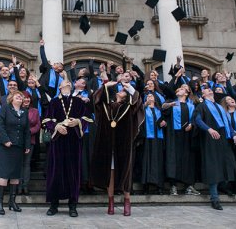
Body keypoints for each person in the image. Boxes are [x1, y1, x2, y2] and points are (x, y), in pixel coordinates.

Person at [91, 80, 143, 216]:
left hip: (124, 144)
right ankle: (111, 203)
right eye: (119, 90)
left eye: (122, 91)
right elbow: (96, 99)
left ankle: (127, 202)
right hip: (109, 144)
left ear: (125, 96)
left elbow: (138, 101)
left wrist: (129, 87)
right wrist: (105, 86)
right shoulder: (107, 107)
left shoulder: (128, 108)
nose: (119, 91)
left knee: (126, 173)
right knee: (111, 174)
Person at [43, 80, 91, 217]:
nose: (67, 85)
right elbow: (46, 120)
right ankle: (53, 205)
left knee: (73, 172)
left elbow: (87, 118)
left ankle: (72, 205)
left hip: (74, 142)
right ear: (59, 87)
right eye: (64, 84)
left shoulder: (79, 102)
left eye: (69, 84)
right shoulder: (54, 102)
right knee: (55, 172)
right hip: (58, 142)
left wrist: (78, 122)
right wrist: (56, 126)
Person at [194, 88, 236, 210]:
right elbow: (198, 120)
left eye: (210, 90)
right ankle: (214, 198)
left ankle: (223, 186)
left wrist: (234, 134)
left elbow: (228, 124)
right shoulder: (202, 106)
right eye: (207, 91)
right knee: (213, 169)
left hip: (224, 139)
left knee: (230, 164)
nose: (210, 91)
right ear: (203, 95)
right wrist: (209, 129)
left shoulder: (220, 107)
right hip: (210, 140)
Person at [0, 90, 31, 215]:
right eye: (17, 96)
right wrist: (5, 140)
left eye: (21, 97)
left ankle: (12, 201)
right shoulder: (5, 108)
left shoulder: (25, 112)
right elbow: (0, 124)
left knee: (15, 176)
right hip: (6, 146)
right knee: (4, 174)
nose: (20, 98)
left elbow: (27, 130)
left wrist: (27, 145)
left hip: (18, 146)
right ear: (11, 98)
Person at [162, 87, 200, 196]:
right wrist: (170, 105)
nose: (179, 90)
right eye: (178, 89)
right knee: (173, 158)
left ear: (187, 93)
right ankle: (173, 185)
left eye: (182, 89)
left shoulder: (191, 106)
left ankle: (188, 186)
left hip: (187, 136)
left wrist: (191, 124)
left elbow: (195, 118)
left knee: (187, 159)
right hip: (173, 135)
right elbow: (163, 108)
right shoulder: (172, 102)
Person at [140, 93, 166, 195]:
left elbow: (163, 121)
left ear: (155, 99)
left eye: (152, 96)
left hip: (158, 138)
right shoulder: (143, 109)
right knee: (147, 160)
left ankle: (159, 186)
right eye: (148, 96)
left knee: (158, 161)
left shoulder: (159, 110)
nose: (150, 97)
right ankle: (146, 186)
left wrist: (164, 123)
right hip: (147, 138)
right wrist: (145, 104)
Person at [20, 91, 40, 195]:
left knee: (26, 164)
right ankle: (18, 186)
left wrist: (30, 131)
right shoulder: (16, 110)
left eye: (28, 98)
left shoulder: (35, 111)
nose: (27, 100)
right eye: (24, 98)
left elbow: (37, 125)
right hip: (18, 140)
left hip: (30, 140)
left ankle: (25, 186)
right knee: (18, 163)